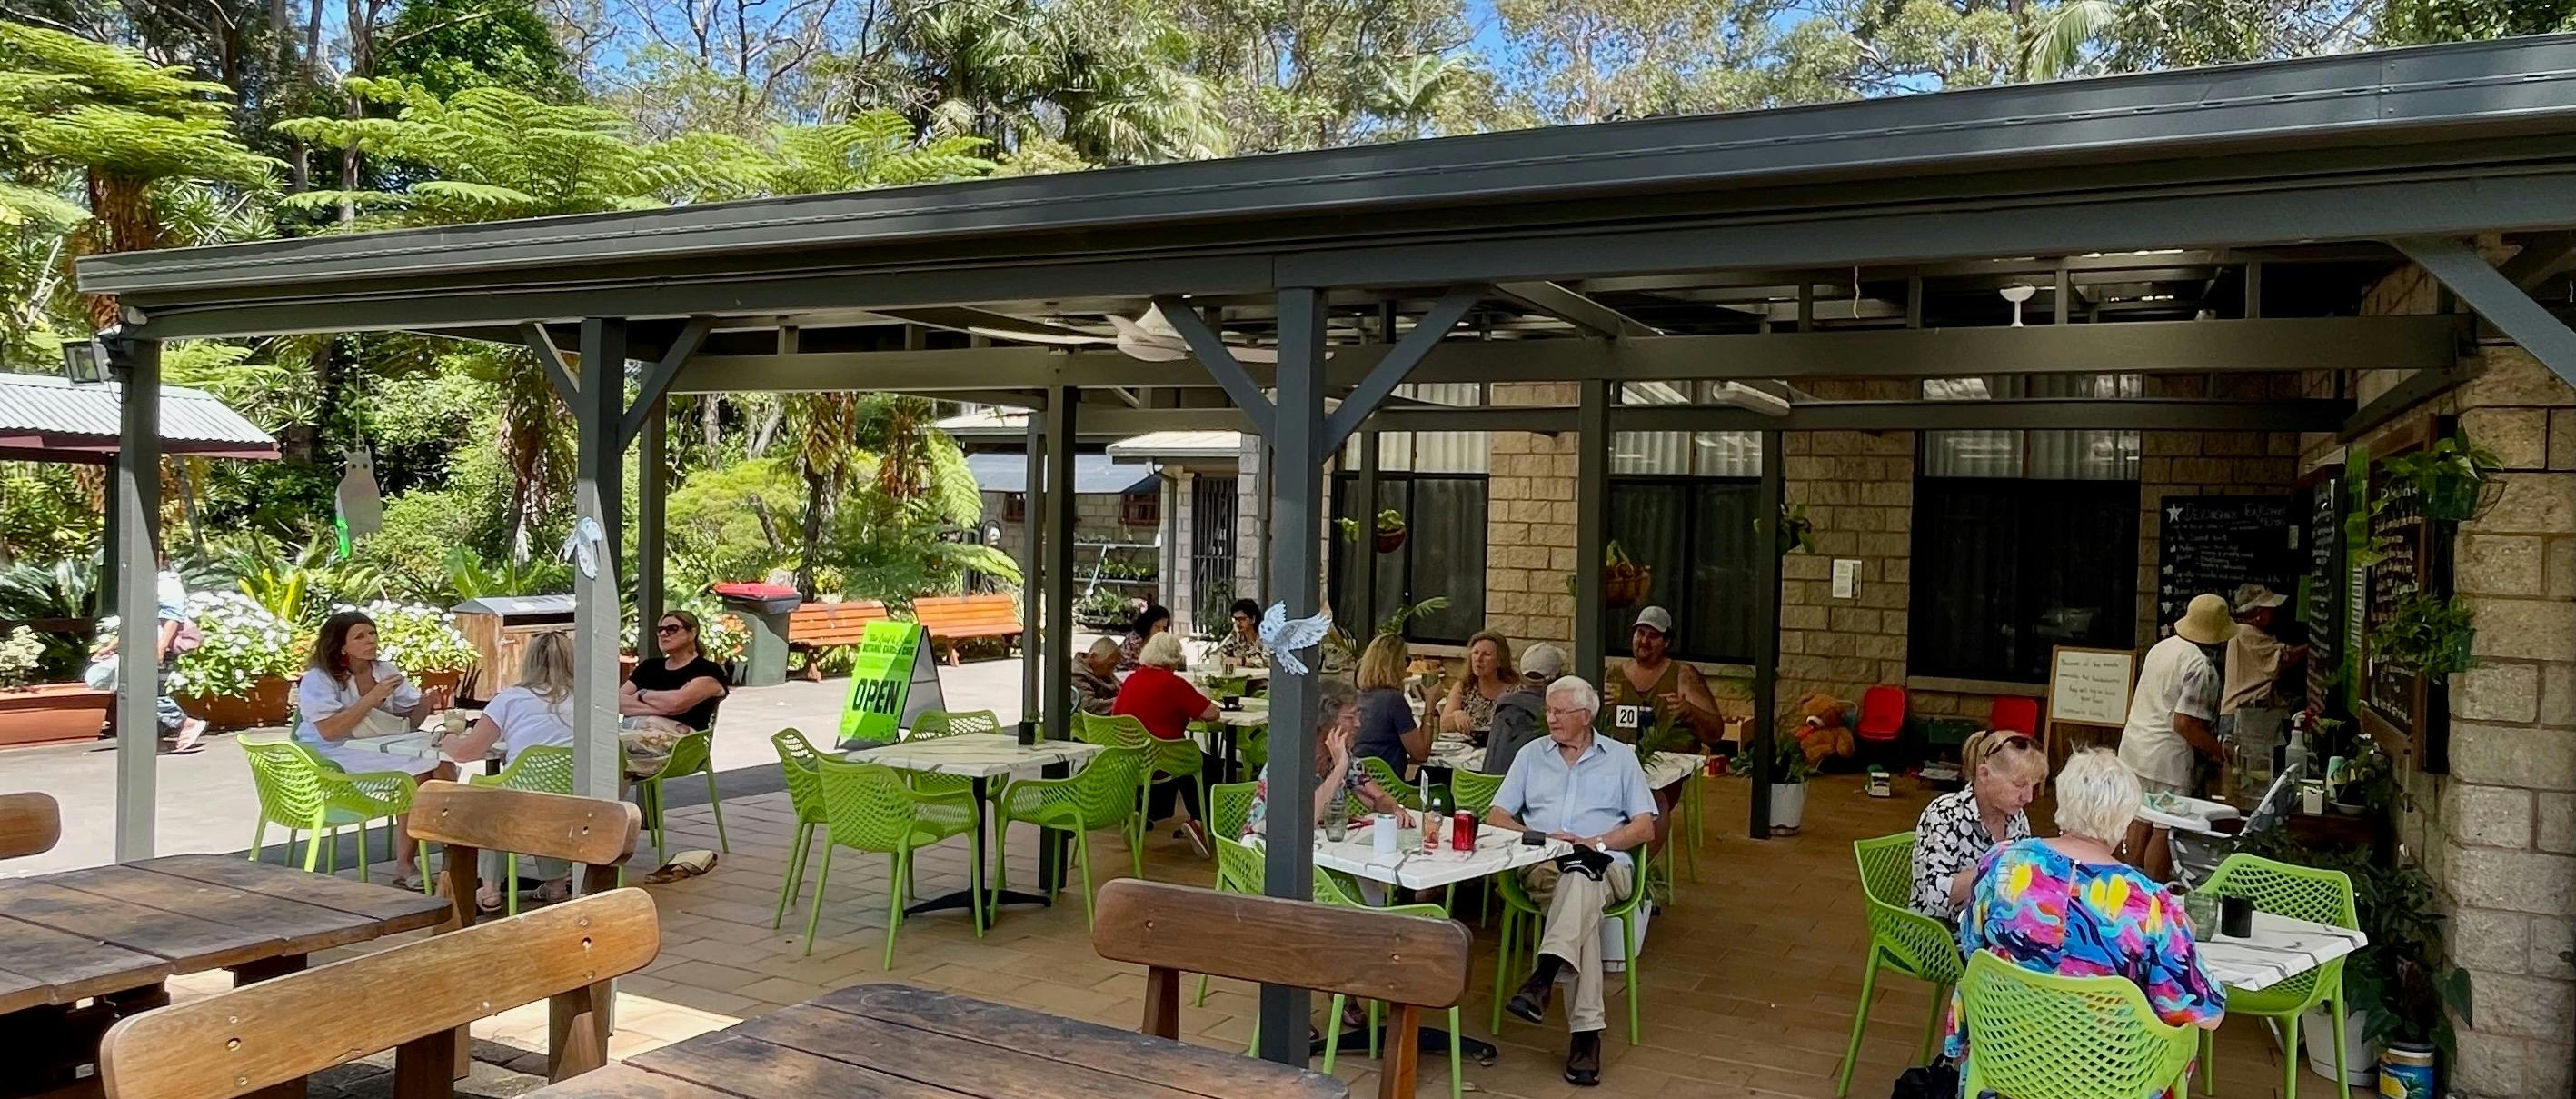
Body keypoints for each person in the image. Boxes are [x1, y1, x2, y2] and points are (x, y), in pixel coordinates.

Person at [1944, 749, 2225, 1095]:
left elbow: (1973, 948)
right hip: (2108, 1078)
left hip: (2007, 1059)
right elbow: (2204, 1012)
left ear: (2064, 800)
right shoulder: (2150, 904)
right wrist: (2185, 936)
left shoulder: (2002, 864)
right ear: (2124, 820)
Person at [1483, 676, 1659, 1087]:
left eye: (1560, 712)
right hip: (1545, 865)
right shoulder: (1531, 755)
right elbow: (1497, 817)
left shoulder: (1619, 758)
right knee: (1582, 895)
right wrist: (1545, 839)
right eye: (1549, 710)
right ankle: (1585, 1036)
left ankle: (1544, 975)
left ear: (1586, 715)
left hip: (1607, 862)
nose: (1551, 718)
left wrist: (1594, 842)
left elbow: (1644, 828)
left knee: (1585, 872)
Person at [294, 610, 454, 889]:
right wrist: (373, 697)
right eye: (360, 636)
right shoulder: (319, 679)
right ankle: (406, 864)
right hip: (333, 752)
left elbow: (408, 724)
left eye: (372, 633)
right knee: (415, 776)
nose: (370, 641)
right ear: (342, 646)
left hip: (378, 745)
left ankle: (454, 856)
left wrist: (424, 703)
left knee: (442, 765)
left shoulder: (385, 671)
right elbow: (330, 731)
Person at [441, 632, 578, 911]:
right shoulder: (588, 698)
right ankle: (556, 883)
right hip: (577, 798)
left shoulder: (511, 699)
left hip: (522, 799)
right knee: (548, 796)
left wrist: (447, 738)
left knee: (487, 798)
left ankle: (489, 889)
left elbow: (467, 753)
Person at [2120, 594, 2233, 881]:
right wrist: (2221, 752)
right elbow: (2185, 724)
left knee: (2139, 816)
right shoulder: (2201, 666)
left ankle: (2129, 885)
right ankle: (2154, 893)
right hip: (2167, 757)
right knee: (2164, 827)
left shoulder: (2161, 648)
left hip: (2135, 745)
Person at [1603, 605, 1717, 846]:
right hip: (1621, 764)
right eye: (1640, 633)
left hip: (1666, 768)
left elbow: (1716, 732)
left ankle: (1640, 871)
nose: (1644, 641)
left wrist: (1689, 711)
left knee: (1650, 802)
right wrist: (1598, 706)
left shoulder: (1682, 675)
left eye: (1653, 635)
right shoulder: (1613, 674)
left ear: (1666, 642)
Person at [1240, 677, 1409, 839]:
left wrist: (1395, 808)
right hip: (1266, 851)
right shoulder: (1290, 761)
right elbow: (1304, 823)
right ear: (1325, 722)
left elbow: (1375, 798)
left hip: (1316, 849)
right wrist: (1339, 769)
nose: (1358, 724)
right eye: (1350, 718)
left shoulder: (1342, 757)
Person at [1907, 729, 2046, 922]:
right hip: (1940, 933)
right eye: (2019, 784)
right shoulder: (1944, 815)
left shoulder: (2016, 816)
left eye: (2034, 785)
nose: (2028, 797)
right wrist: (1997, 866)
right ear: (1984, 774)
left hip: (1993, 927)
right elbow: (1935, 895)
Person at [1111, 632, 1220, 847]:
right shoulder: (1173, 684)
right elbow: (1211, 714)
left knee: (1190, 763)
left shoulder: (1131, 680)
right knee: (1210, 766)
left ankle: (1144, 816)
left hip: (1132, 758)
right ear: (1174, 657)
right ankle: (1200, 822)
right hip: (1166, 758)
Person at [620, 609, 731, 775]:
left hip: (684, 747)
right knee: (600, 747)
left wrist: (642, 694)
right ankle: (607, 801)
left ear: (692, 632)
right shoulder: (649, 667)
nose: (664, 634)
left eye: (672, 629)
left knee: (610, 750)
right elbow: (617, 701)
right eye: (660, 630)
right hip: (638, 738)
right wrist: (662, 709)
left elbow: (677, 702)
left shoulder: (708, 670)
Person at [2223, 584, 2306, 719]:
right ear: (2258, 612)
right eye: (2269, 609)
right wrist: (2312, 647)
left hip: (2244, 712)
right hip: (2245, 714)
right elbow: (2286, 658)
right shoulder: (2247, 633)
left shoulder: (2243, 631)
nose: (2274, 613)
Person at [1479, 643, 1563, 775]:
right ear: (1557, 676)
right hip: (1525, 790)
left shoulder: (1505, 703)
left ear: (1523, 675)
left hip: (1489, 789)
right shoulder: (1555, 711)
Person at [1352, 634, 1425, 777]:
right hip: (1388, 788)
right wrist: (1430, 705)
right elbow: (1421, 754)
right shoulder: (1394, 701)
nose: (1407, 666)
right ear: (1396, 664)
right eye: (1407, 660)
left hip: (1355, 787)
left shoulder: (1354, 698)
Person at [1437, 630, 1516, 742]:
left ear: (1500, 661)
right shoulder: (1463, 687)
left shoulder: (1515, 692)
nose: (1479, 659)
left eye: (1486, 655)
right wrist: (1456, 715)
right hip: (1466, 752)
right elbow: (1443, 726)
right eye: (1475, 653)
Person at [1072, 635, 1123, 715]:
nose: (1112, 670)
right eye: (1110, 665)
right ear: (1093, 657)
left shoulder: (1100, 669)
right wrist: (1122, 701)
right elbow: (1088, 706)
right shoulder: (1077, 674)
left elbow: (1119, 686)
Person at [1212, 598, 1268, 668]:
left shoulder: (1265, 636)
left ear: (1253, 619)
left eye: (1242, 619)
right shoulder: (1236, 635)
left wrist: (1242, 661)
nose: (1238, 623)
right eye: (1235, 619)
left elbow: (1267, 661)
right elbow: (1218, 655)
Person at [1117, 604, 1173, 673]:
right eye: (1157, 627)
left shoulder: (1162, 642)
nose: (1161, 631)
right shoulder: (1134, 640)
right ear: (1148, 625)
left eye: (1164, 628)